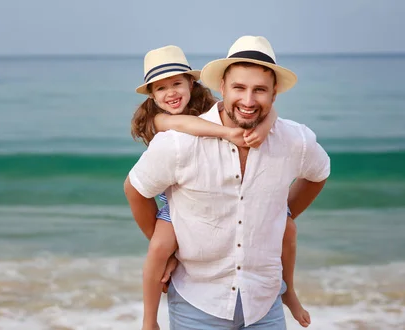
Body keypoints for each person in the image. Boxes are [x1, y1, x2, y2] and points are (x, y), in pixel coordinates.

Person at [125, 36, 329, 329]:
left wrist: (275, 216)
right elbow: (135, 188)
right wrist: (167, 246)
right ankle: (148, 321)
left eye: (260, 90)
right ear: (223, 87)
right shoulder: (173, 135)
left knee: (287, 228)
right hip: (197, 300)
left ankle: (289, 293)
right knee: (159, 248)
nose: (248, 100)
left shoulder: (294, 139)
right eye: (239, 88)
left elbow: (317, 174)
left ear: (274, 95)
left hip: (264, 301)